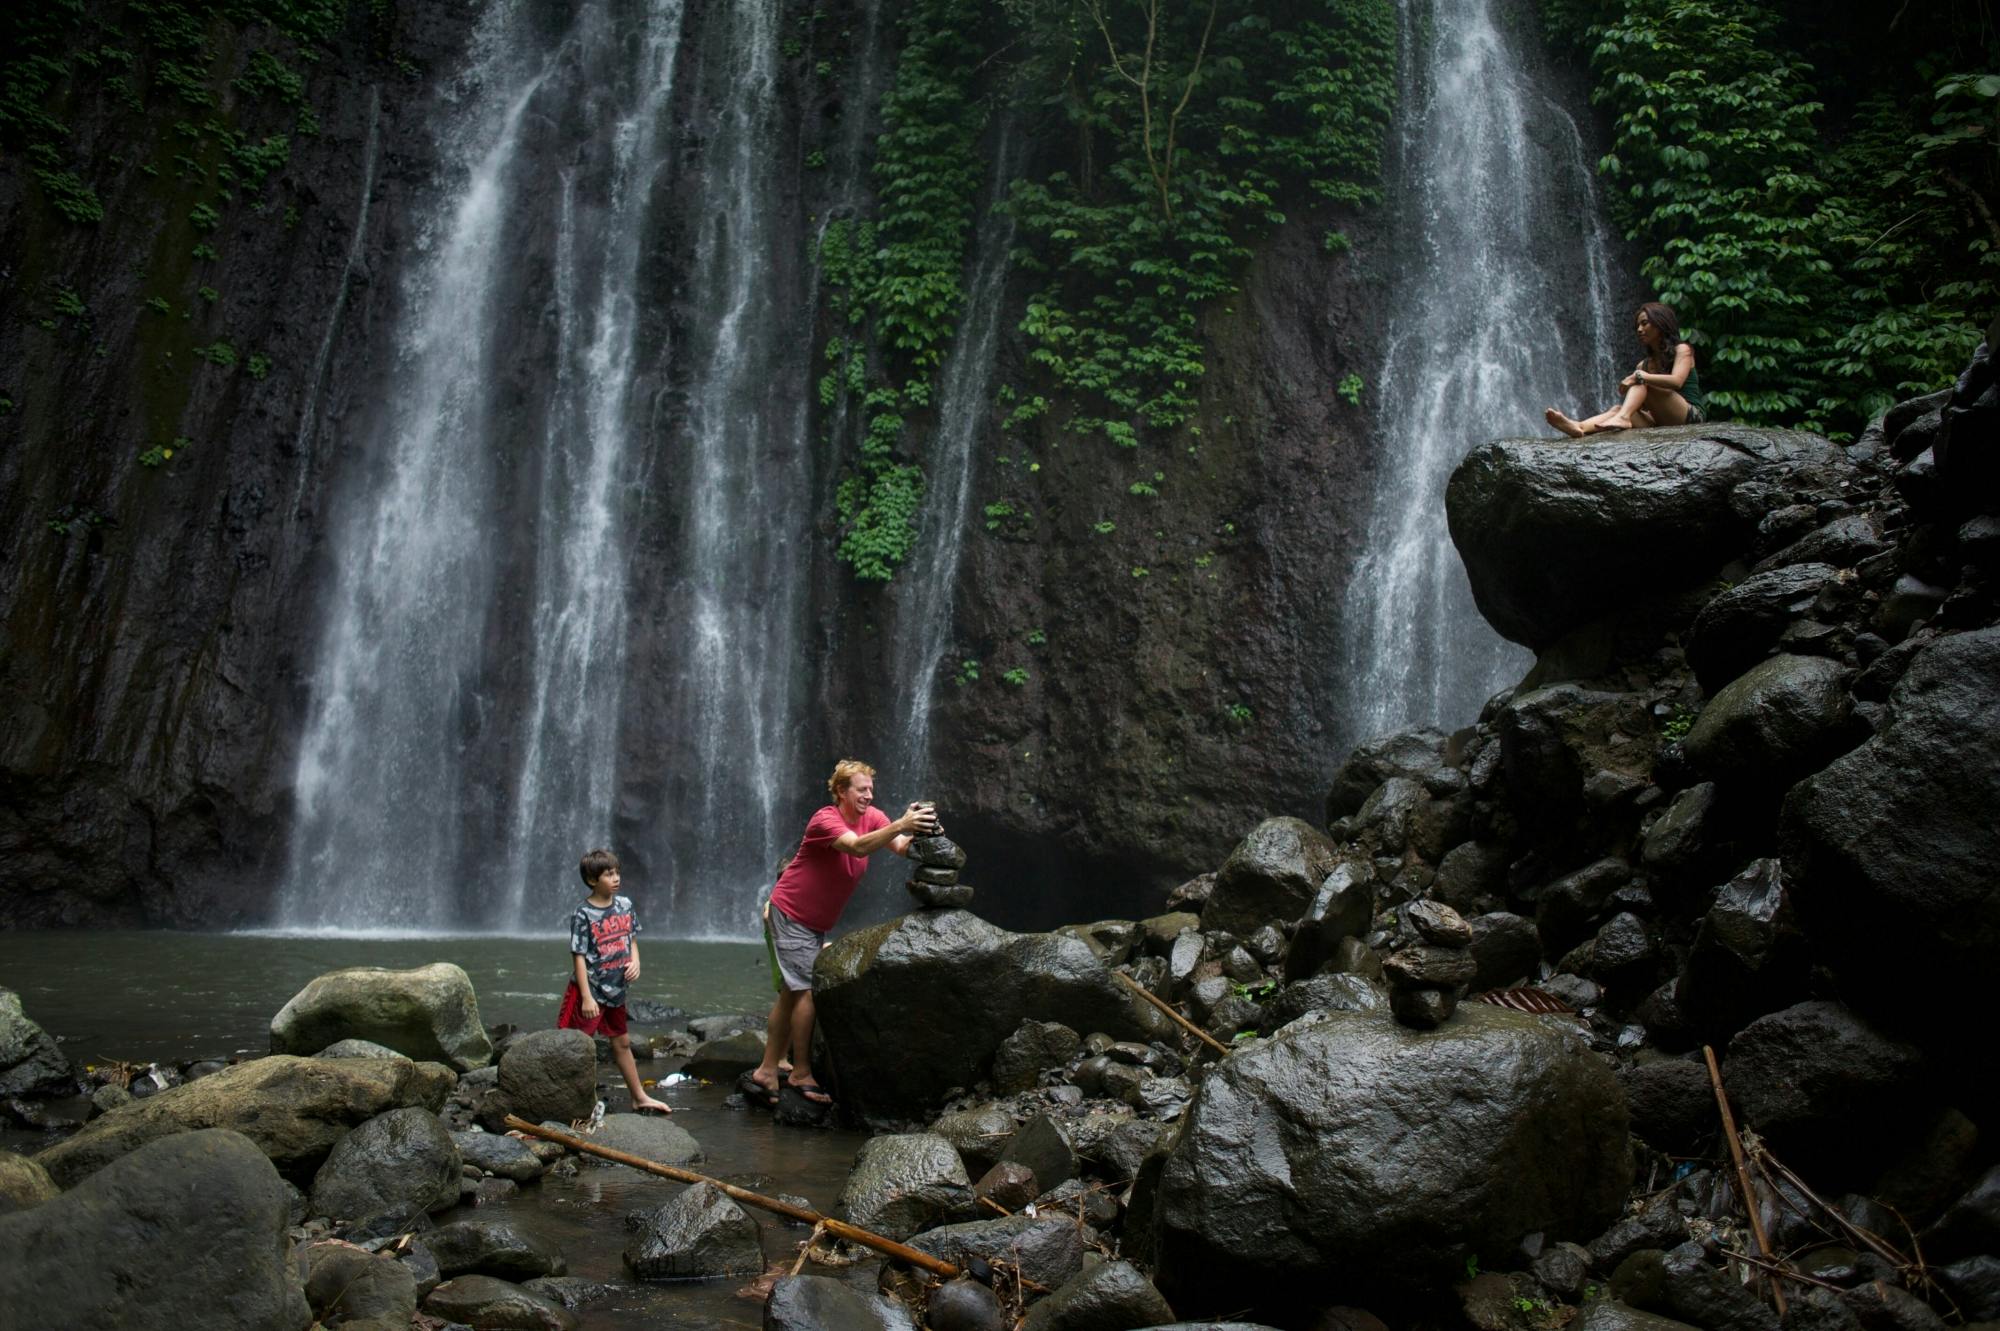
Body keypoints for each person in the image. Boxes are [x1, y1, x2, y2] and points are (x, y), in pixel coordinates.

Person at [748, 759, 937, 1106]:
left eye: (871, 789)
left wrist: (923, 831)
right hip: (790, 912)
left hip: (814, 921)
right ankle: (800, 1072)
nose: (869, 795)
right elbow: (857, 846)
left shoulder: (874, 817)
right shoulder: (825, 820)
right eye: (861, 789)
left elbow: (898, 846)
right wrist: (900, 824)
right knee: (805, 991)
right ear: (841, 792)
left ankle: (766, 1069)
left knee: (791, 994)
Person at [558, 847, 672, 1114]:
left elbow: (631, 939)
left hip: (616, 990)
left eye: (617, 872)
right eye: (609, 874)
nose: (616, 878)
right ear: (592, 880)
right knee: (575, 1046)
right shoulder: (582, 914)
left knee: (621, 1043)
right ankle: (567, 1100)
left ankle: (639, 1096)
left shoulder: (625, 905)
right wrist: (586, 996)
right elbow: (579, 956)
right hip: (589, 990)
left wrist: (636, 961)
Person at [1547, 301, 1708, 437]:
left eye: (1644, 323)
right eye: (1637, 325)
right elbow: (1645, 403)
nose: (1639, 329)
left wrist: (1639, 377)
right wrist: (1636, 385)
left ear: (1661, 323)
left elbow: (1677, 381)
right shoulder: (1643, 365)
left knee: (1640, 381)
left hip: (1690, 417)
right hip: (1661, 420)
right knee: (1618, 409)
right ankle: (1579, 427)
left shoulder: (1683, 350)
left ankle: (1623, 417)